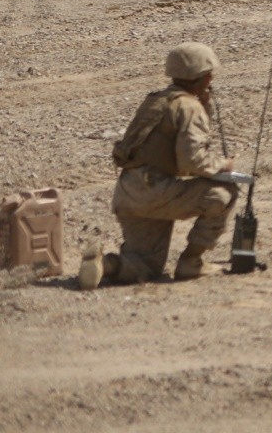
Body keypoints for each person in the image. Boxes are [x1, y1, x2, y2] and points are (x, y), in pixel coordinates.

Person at [103, 42, 240, 283]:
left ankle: (107, 265)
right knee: (223, 193)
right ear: (205, 77)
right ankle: (191, 262)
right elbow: (193, 160)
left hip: (128, 193)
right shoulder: (189, 106)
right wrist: (223, 165)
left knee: (144, 268)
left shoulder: (156, 100)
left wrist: (205, 106)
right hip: (156, 191)